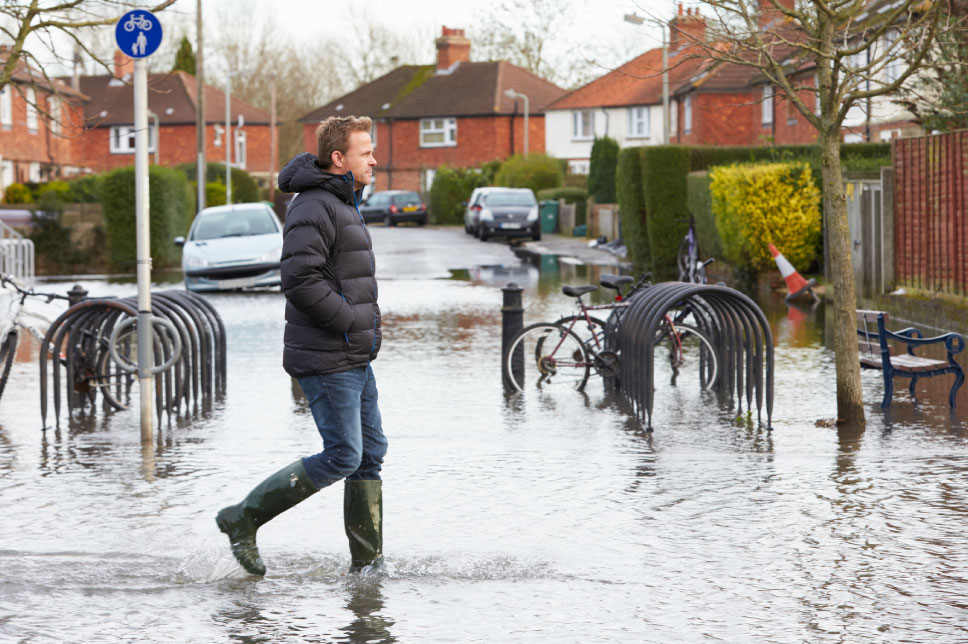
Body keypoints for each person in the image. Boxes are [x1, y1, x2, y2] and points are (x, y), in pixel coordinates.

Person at [216, 115, 385, 576]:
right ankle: (244, 516)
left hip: (353, 353)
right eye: (365, 151)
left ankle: (368, 568)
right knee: (344, 454)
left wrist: (363, 331)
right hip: (329, 354)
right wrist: (351, 321)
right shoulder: (314, 205)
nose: (374, 159)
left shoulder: (342, 201)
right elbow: (300, 279)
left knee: (370, 455)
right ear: (339, 159)